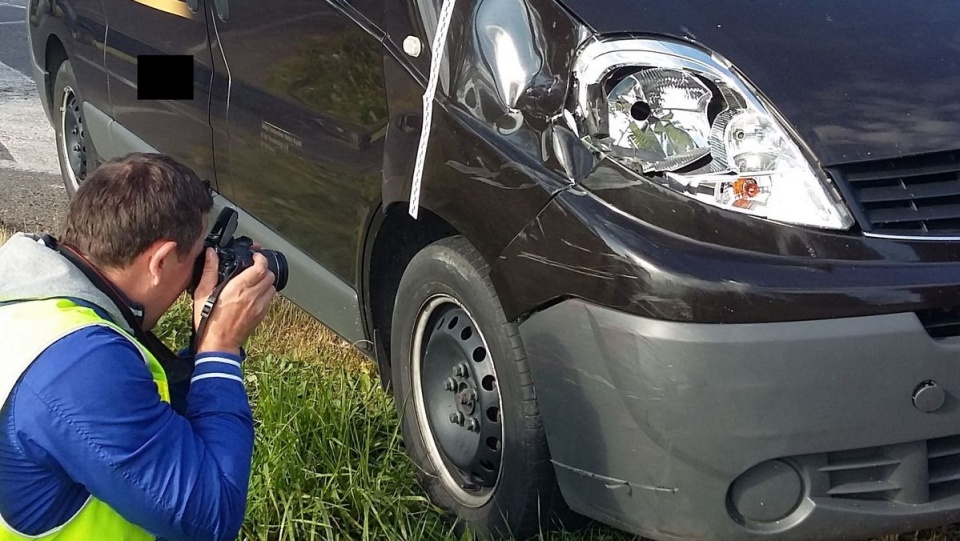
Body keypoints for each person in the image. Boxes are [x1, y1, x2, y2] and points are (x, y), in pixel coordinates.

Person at [0, 153, 278, 540]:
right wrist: (220, 352)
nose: (200, 272)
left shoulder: (32, 304)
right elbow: (211, 517)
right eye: (199, 256)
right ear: (160, 261)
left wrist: (202, 349)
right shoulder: (79, 367)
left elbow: (148, 424)